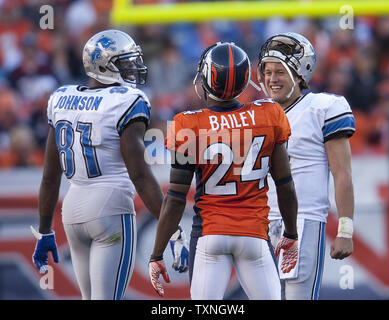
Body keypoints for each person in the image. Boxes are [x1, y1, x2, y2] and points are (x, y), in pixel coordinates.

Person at [148, 42, 299, 299]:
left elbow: (175, 198)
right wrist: (291, 234)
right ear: (244, 80)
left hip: (211, 235)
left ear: (207, 77)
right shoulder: (269, 114)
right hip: (254, 236)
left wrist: (157, 253)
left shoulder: (188, 123)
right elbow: (284, 183)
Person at [31, 29, 171, 300]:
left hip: (72, 211)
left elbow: (50, 176)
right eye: (124, 62)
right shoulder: (127, 101)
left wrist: (45, 229)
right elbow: (140, 176)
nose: (132, 68)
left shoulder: (61, 98)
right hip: (110, 207)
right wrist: (172, 229)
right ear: (104, 65)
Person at [256, 32, 355, 300]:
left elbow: (342, 173)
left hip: (302, 222)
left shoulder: (322, 108)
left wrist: (345, 230)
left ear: (299, 75)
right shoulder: (258, 113)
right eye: (267, 71)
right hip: (259, 224)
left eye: (280, 72)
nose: (271, 79)